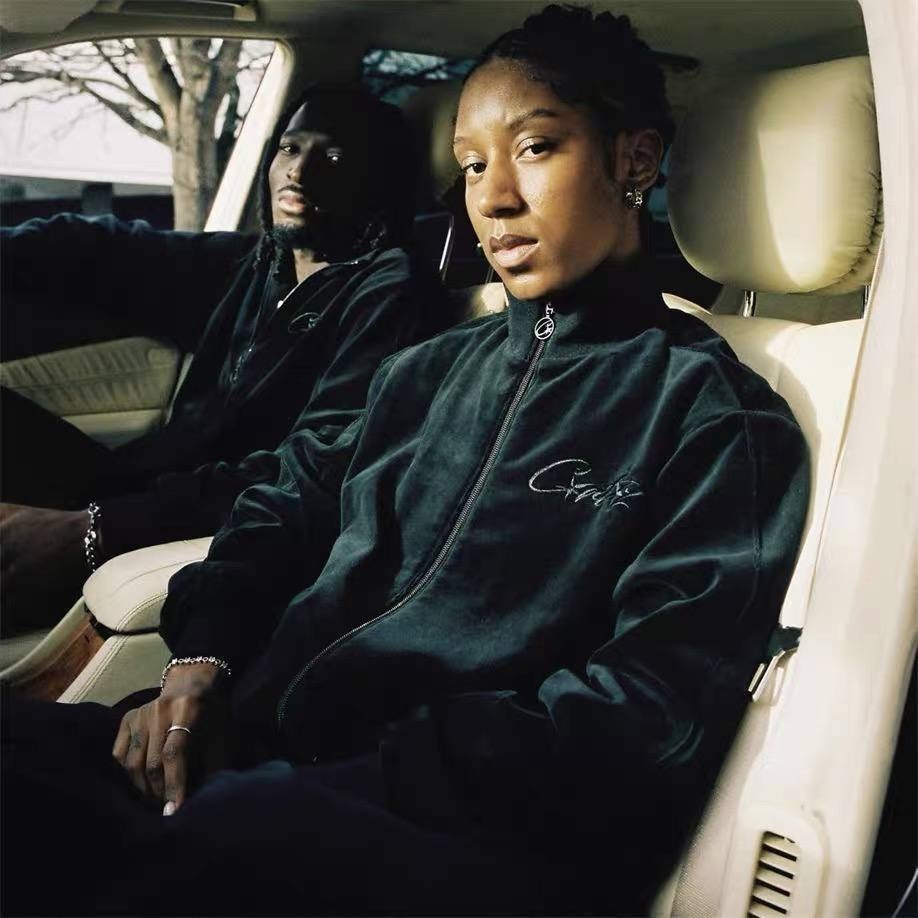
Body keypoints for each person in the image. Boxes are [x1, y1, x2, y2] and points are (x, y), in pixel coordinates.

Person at [1, 6, 810, 915]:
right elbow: (285, 507)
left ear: (635, 160)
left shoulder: (715, 418)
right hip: (259, 742)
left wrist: (331, 785)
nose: (493, 197)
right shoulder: (426, 372)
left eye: (535, 148)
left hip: (446, 822)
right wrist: (203, 659)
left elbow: (642, 714)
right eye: (472, 165)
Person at [0, 83, 452, 635]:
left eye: (333, 156)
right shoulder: (260, 264)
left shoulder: (392, 294)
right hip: (144, 487)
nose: (299, 171)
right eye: (290, 148)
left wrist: (96, 528)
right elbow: (97, 249)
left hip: (212, 526)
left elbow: (312, 470)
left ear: (377, 178)